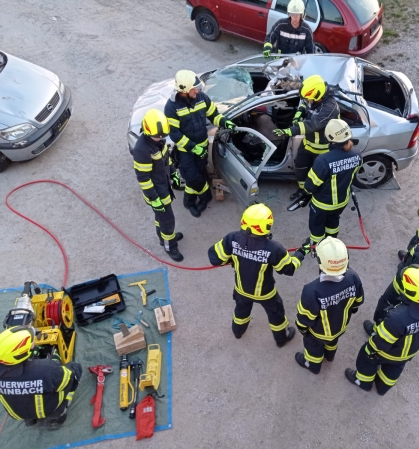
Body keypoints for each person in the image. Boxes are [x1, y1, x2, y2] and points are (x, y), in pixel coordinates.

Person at [207, 204, 310, 347]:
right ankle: (281, 339)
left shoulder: (231, 238)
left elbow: (215, 258)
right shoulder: (274, 248)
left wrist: (231, 259)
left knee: (241, 311)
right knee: (276, 314)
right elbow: (288, 268)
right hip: (266, 293)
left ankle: (238, 332)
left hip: (241, 289)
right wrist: (301, 253)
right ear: (267, 226)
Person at [345, 265, 419, 395]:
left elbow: (381, 341)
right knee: (395, 366)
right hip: (411, 351)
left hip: (389, 352)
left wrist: (370, 349)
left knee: (366, 357)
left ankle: (363, 381)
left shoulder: (397, 317)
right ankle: (382, 387)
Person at [164, 70, 236, 218]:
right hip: (186, 150)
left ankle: (189, 202)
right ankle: (205, 197)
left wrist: (224, 121)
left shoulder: (202, 98)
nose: (197, 91)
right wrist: (193, 147)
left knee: (199, 173)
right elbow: (175, 134)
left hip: (202, 146)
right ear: (183, 90)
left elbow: (214, 115)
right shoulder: (171, 107)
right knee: (192, 177)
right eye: (193, 89)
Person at [0, 326, 82, 428]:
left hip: (18, 414)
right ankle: (56, 417)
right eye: (32, 341)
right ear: (20, 353)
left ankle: (30, 420)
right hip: (47, 409)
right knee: (75, 369)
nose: (34, 342)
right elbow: (68, 380)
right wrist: (55, 364)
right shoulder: (46, 369)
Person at [295, 237, 364, 375]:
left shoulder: (311, 290)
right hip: (340, 328)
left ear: (320, 262)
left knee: (313, 348)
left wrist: (304, 332)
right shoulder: (353, 277)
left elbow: (303, 319)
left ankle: (312, 364)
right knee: (333, 341)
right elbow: (358, 302)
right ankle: (330, 356)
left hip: (317, 334)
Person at [273, 74, 340, 200]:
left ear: (318, 95)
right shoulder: (315, 97)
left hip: (323, 149)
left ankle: (315, 193)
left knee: (318, 175)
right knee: (300, 168)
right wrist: (299, 114)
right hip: (308, 144)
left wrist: (289, 131)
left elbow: (313, 124)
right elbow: (304, 104)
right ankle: (303, 191)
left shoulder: (329, 108)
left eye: (310, 99)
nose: (309, 100)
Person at [133, 108, 184, 262]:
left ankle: (163, 237)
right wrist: (154, 198)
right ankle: (170, 246)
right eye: (156, 136)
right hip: (156, 193)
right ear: (147, 130)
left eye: (162, 136)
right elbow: (143, 179)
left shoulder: (159, 140)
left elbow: (166, 159)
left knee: (160, 217)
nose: (160, 138)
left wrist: (173, 172)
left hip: (164, 186)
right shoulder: (142, 150)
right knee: (168, 220)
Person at [303, 118, 362, 244]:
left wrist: (306, 191)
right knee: (333, 221)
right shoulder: (357, 154)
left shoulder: (323, 160)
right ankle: (332, 241)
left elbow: (310, 186)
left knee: (317, 225)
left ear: (330, 137)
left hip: (322, 204)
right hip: (342, 202)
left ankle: (317, 245)